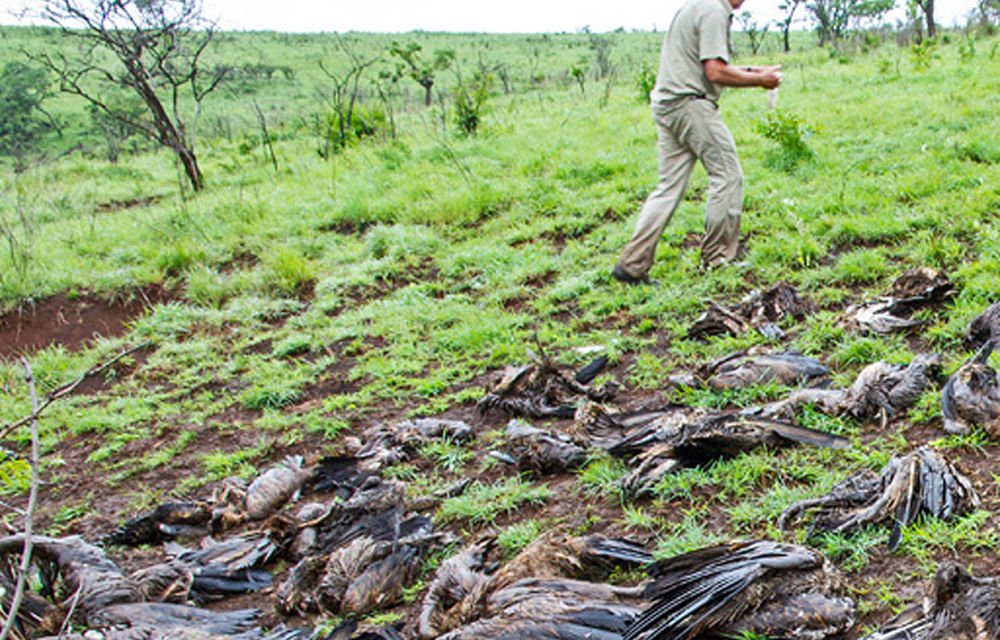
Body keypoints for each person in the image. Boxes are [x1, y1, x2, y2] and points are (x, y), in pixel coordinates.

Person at [612, 0, 782, 285]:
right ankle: (717, 260)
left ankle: (631, 265)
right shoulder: (715, 10)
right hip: (691, 106)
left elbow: (704, 63)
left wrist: (753, 71)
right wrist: (759, 81)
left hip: (668, 104)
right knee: (728, 176)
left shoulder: (696, 5)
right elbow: (714, 72)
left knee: (668, 187)